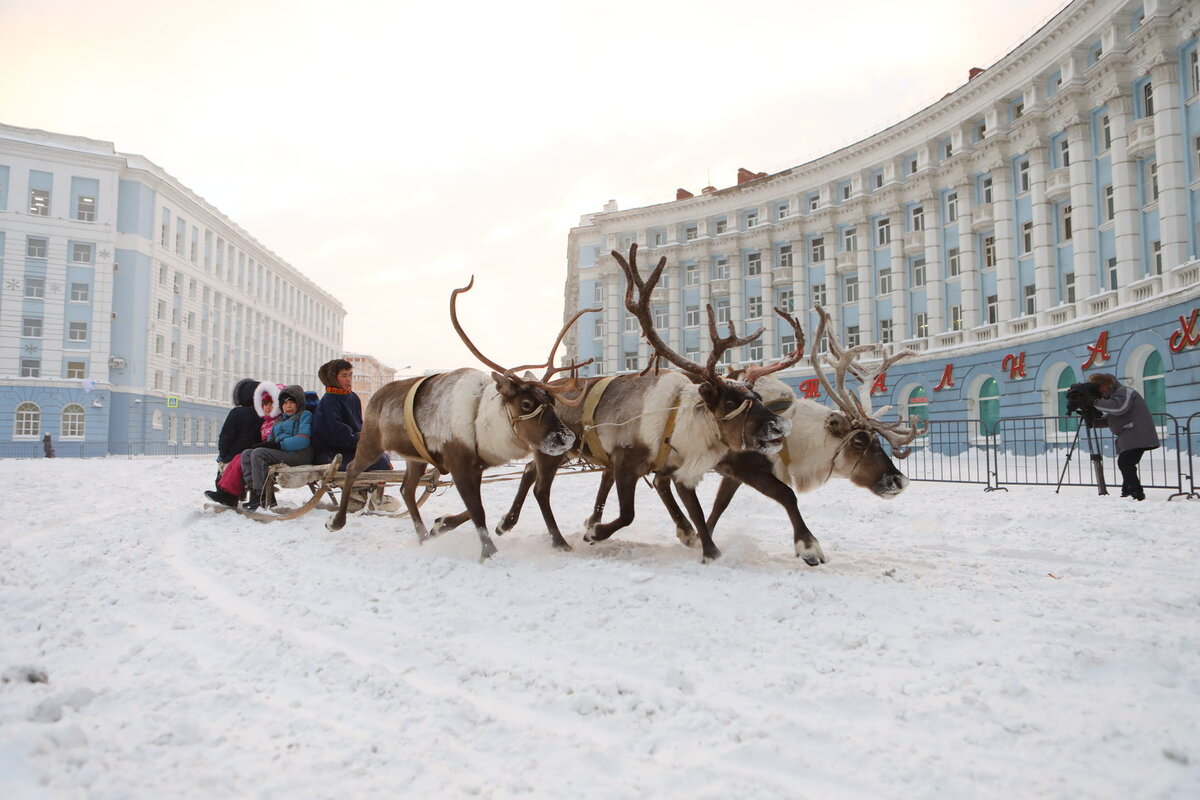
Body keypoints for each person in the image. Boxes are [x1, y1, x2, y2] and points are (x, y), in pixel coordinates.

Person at [240, 385, 315, 511]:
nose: (288, 406)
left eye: (291, 402)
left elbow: (304, 440)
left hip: (299, 454)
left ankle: (261, 496)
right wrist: (267, 444)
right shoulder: (279, 421)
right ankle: (255, 491)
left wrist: (280, 445)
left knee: (258, 454)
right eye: (285, 403)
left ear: (299, 403)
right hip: (284, 453)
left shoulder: (304, 415)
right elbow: (271, 441)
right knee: (247, 454)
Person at [205, 382, 280, 508]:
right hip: (256, 453)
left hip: (245, 454)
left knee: (229, 466)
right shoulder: (264, 416)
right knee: (241, 460)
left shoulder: (238, 412)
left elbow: (225, 437)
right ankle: (234, 495)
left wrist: (223, 455)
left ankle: (228, 495)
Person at [1089, 372, 1160, 501]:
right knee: (1127, 462)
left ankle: (1136, 493)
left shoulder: (1125, 391)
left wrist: (1094, 402)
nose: (1099, 391)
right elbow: (1114, 417)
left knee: (1125, 462)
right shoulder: (1115, 396)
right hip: (1132, 434)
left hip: (1138, 433)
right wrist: (1094, 422)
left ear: (1106, 385)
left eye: (1099, 387)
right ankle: (1128, 490)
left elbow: (1119, 408)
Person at [312, 359, 391, 472]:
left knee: (381, 458)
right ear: (333, 377)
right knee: (378, 462)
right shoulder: (329, 401)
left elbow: (358, 425)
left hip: (350, 448)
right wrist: (358, 437)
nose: (349, 379)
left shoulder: (353, 397)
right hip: (330, 453)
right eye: (344, 375)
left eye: (350, 375)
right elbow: (335, 433)